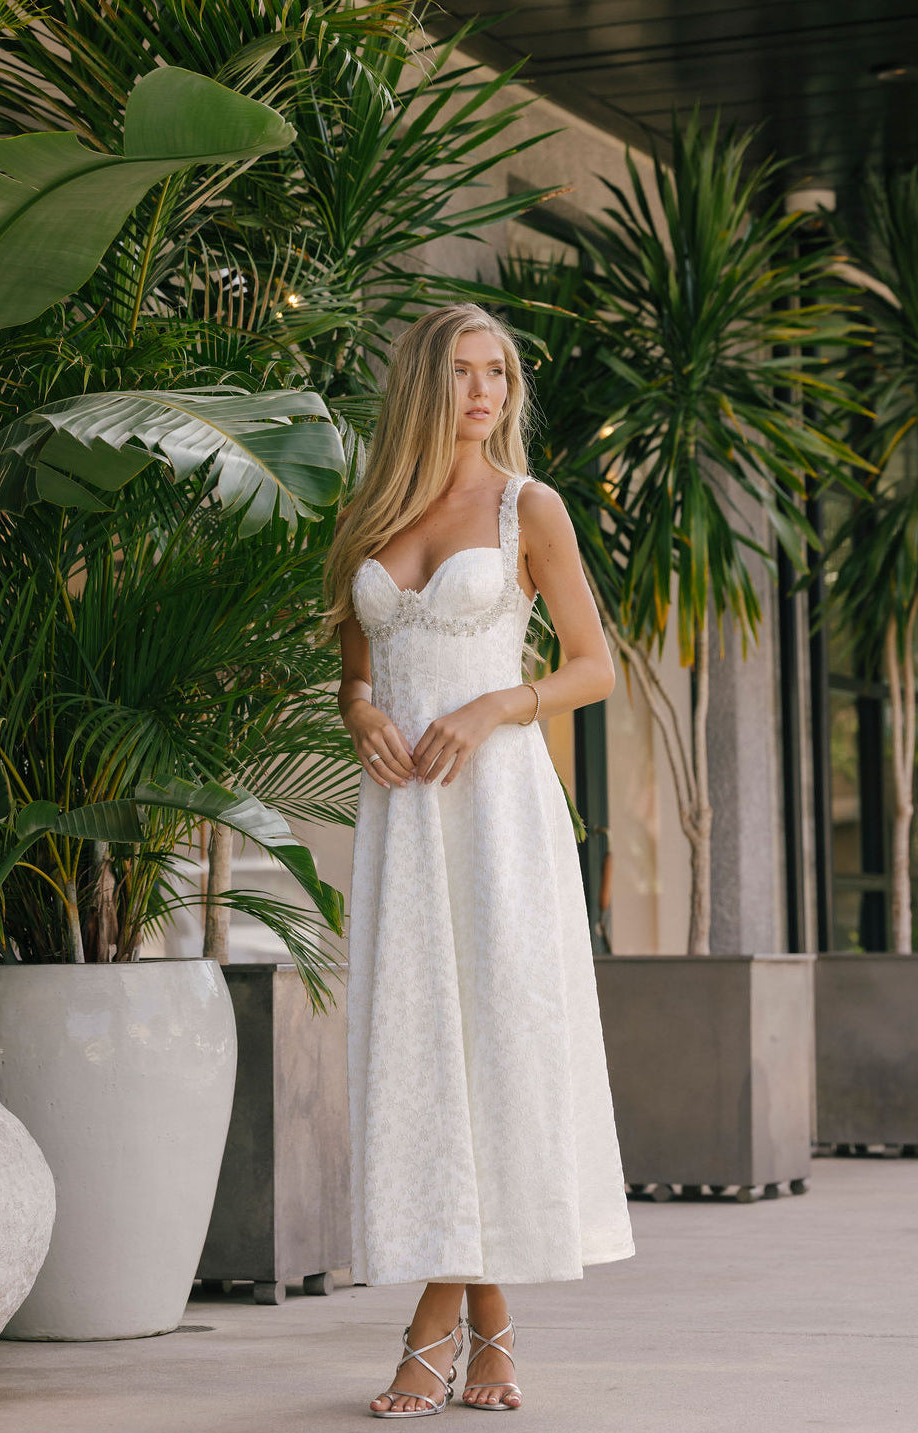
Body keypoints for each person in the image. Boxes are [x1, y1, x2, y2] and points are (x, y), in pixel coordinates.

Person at [320, 303, 635, 1418]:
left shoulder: (525, 506)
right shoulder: (369, 512)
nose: (483, 392)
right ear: (422, 384)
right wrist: (359, 712)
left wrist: (504, 701)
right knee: (427, 1054)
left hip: (496, 812)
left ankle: (430, 1327)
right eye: (461, 372)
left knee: (492, 1048)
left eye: (497, 372)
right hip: (404, 819)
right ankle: (491, 1331)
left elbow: (595, 666)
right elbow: (357, 671)